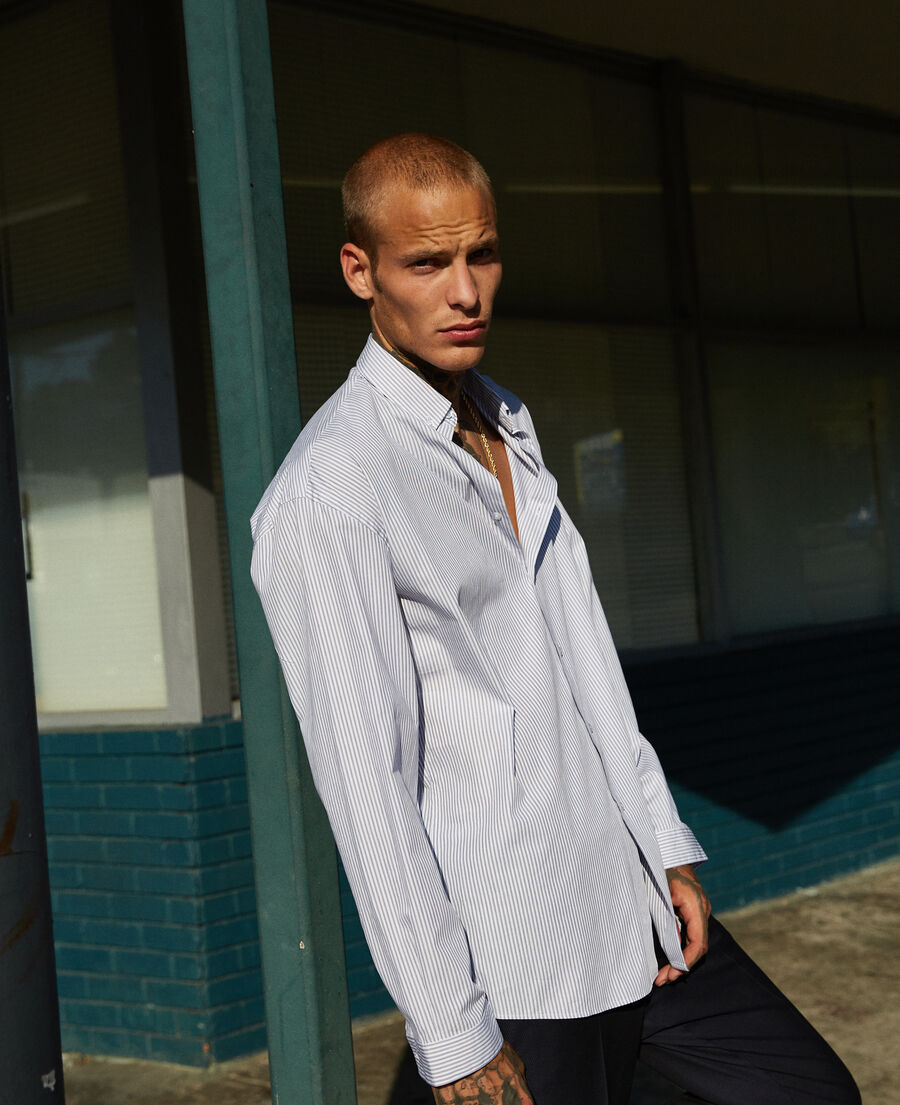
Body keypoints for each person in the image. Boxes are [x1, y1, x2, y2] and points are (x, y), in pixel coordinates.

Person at [250, 133, 860, 1105]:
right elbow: (368, 790)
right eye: (428, 262)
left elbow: (585, 665)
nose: (466, 291)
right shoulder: (331, 490)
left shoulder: (505, 417)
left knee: (803, 1090)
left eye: (481, 254)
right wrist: (452, 1034)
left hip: (632, 911)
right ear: (359, 270)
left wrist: (663, 842)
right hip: (519, 961)